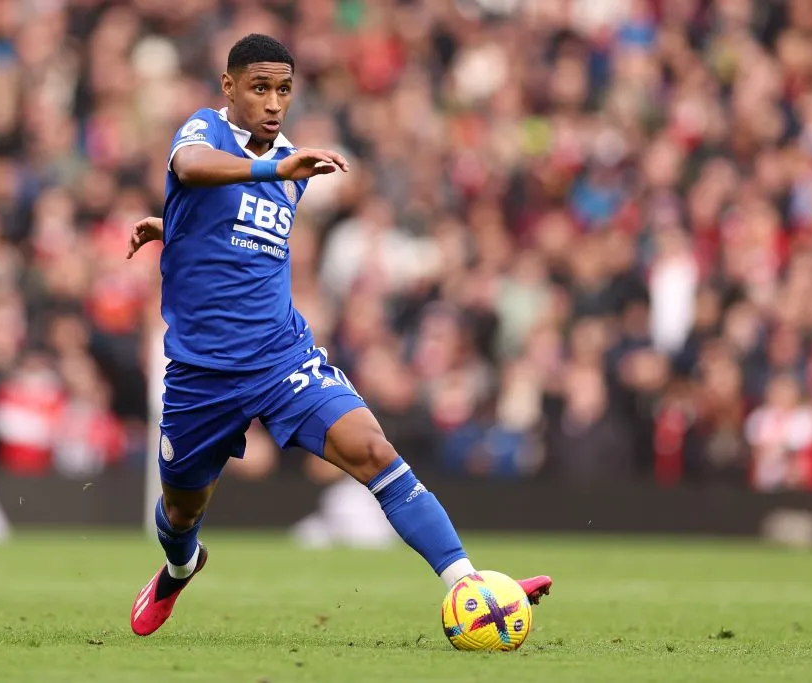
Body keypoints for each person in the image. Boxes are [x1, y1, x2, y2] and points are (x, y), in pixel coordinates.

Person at [125, 33, 552, 637]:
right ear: (229, 87)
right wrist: (185, 216)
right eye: (259, 88)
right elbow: (191, 171)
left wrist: (176, 226)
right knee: (180, 510)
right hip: (201, 371)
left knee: (374, 449)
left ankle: (470, 584)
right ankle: (179, 567)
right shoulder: (208, 132)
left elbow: (234, 230)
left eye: (284, 90)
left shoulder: (293, 166)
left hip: (280, 356)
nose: (274, 103)